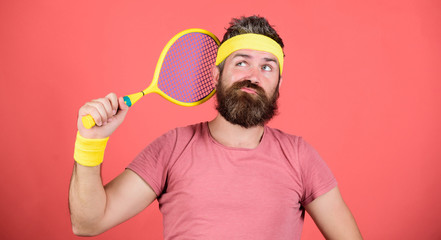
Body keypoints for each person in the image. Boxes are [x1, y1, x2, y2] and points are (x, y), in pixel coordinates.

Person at [69, 15, 363, 239]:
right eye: (241, 63)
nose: (253, 76)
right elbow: (87, 222)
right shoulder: (172, 147)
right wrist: (90, 143)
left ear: (278, 84)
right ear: (215, 75)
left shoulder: (300, 157)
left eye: (267, 67)